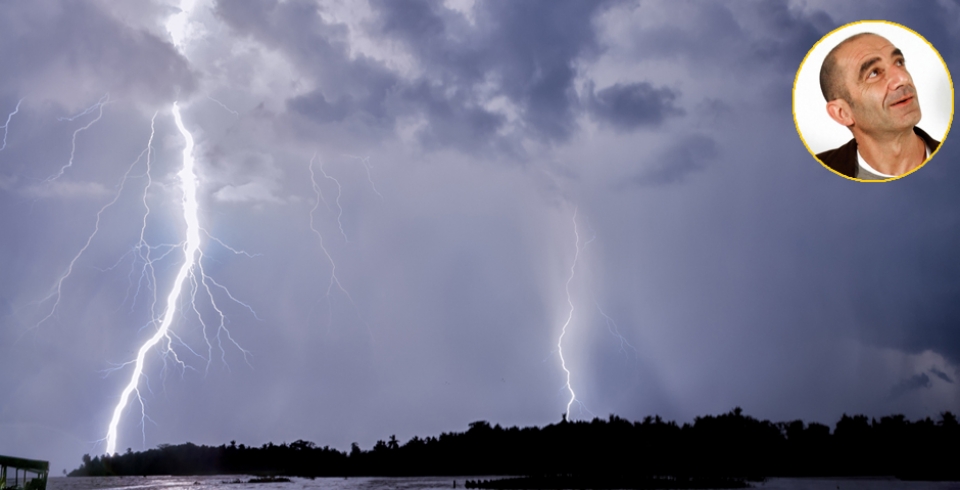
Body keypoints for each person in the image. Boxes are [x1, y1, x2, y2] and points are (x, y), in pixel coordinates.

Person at [816, 32, 940, 179]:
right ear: (842, 113)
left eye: (899, 62)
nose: (902, 78)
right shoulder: (813, 177)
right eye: (874, 73)